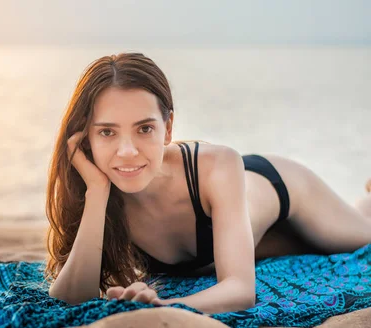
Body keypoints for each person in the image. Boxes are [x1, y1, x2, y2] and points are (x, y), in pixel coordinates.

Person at [44, 52, 371, 314]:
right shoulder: (97, 188)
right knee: (305, 249)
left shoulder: (218, 164)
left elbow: (241, 291)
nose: (127, 152)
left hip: (285, 192)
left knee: (363, 236)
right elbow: (69, 300)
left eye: (144, 129)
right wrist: (98, 193)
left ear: (167, 128)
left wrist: (164, 308)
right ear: (86, 138)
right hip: (254, 239)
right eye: (107, 132)